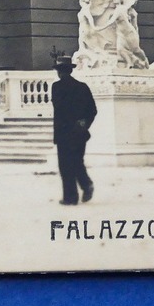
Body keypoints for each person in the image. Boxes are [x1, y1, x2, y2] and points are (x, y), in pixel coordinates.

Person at [50, 57, 97, 205]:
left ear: (59, 72)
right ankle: (86, 185)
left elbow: (59, 107)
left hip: (64, 132)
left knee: (65, 165)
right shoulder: (82, 87)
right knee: (77, 161)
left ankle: (71, 196)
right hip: (78, 131)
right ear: (71, 70)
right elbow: (92, 110)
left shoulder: (56, 87)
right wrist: (84, 122)